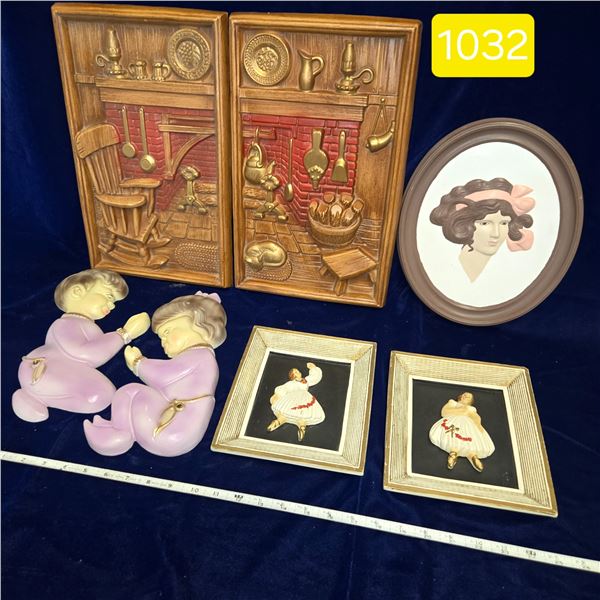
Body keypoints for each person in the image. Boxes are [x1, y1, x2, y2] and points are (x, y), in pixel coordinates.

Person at [83, 292, 227, 457]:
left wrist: (138, 362)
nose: (163, 342)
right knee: (132, 393)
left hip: (171, 430)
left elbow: (164, 376)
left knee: (131, 391)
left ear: (199, 326)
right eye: (161, 337)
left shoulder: (199, 355)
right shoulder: (202, 356)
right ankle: (119, 429)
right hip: (174, 424)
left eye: (167, 332)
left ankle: (118, 434)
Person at [12, 269, 150, 422]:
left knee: (102, 395)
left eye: (114, 302)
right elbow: (85, 354)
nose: (112, 306)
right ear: (77, 291)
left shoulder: (81, 324)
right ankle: (44, 396)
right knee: (102, 393)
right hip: (41, 374)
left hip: (55, 376)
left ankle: (47, 397)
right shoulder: (65, 324)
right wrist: (124, 334)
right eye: (108, 296)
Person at [429, 178, 535, 282]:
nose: (496, 234)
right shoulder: (445, 273)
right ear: (463, 224)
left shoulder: (506, 274)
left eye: (503, 223)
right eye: (485, 223)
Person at [428, 392, 495, 472]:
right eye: (464, 395)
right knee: (452, 435)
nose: (465, 396)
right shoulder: (453, 403)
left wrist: (478, 426)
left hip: (468, 424)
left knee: (470, 437)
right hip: (454, 420)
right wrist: (463, 411)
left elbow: (476, 419)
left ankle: (472, 456)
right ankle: (453, 453)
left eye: (468, 397)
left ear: (471, 401)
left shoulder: (472, 409)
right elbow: (445, 411)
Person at [267, 362, 325, 442]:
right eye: (295, 372)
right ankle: (278, 421)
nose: (298, 373)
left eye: (297, 371)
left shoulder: (305, 380)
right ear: (292, 376)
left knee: (304, 413)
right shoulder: (291, 383)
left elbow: (314, 378)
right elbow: (284, 388)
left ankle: (302, 427)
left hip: (304, 397)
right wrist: (277, 395)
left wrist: (313, 368)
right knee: (285, 411)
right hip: (293, 397)